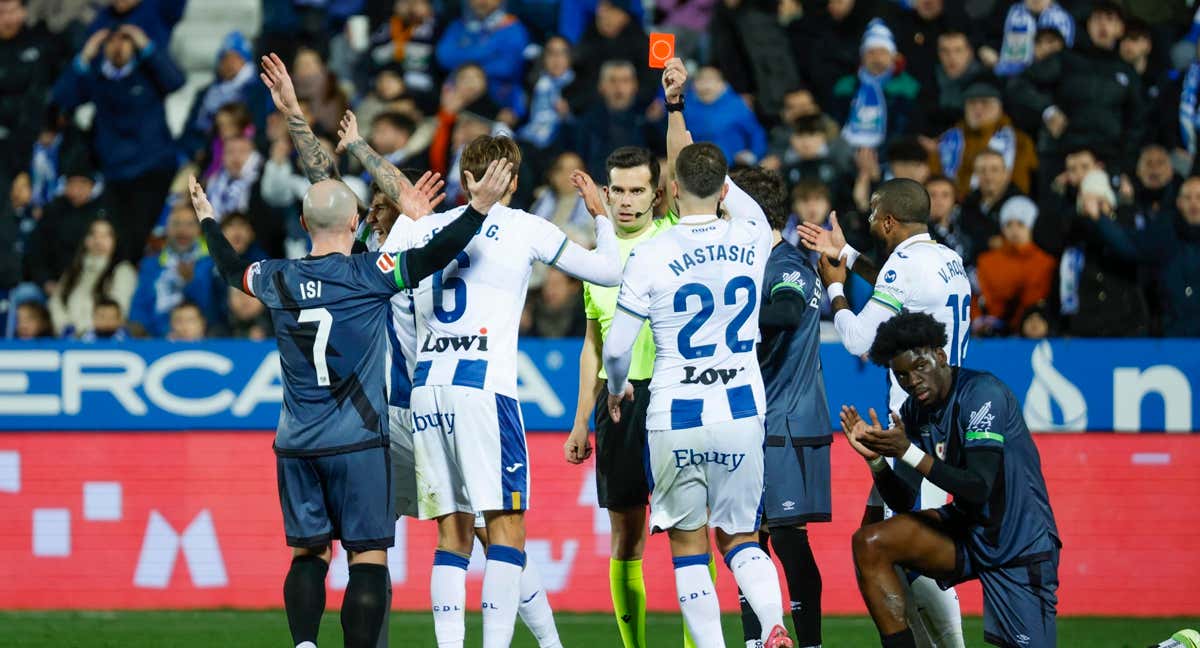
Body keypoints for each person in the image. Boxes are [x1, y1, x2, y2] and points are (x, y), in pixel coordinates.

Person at [188, 144, 509, 646]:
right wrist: (479, 209)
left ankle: (304, 644)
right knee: (367, 557)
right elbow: (435, 253)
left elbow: (231, 268)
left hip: (295, 444)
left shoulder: (277, 278)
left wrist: (208, 219)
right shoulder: (370, 274)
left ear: (301, 220)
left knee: (309, 554)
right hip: (359, 443)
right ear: (357, 218)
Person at [378, 131, 620, 648]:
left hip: (428, 390)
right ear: (510, 179)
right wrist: (600, 215)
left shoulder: (424, 229)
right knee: (506, 530)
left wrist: (402, 216)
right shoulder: (523, 227)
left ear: (465, 180)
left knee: (453, 533)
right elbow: (608, 270)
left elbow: (382, 284)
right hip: (484, 388)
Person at [601, 57, 791, 648]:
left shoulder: (653, 252)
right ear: (725, 185)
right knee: (738, 539)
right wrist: (680, 109)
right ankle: (775, 625)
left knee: (688, 545)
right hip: (740, 407)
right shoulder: (755, 234)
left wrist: (615, 388)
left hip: (676, 412)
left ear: (670, 190)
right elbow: (703, 168)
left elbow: (616, 347)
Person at [799, 178, 970, 648]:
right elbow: (899, 284)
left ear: (890, 221)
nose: (870, 219)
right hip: (944, 416)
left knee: (900, 547)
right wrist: (850, 256)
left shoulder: (905, 267)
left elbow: (858, 340)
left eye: (874, 213)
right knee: (876, 539)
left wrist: (836, 288)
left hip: (916, 424)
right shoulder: (947, 258)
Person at [843, 312, 1060, 648]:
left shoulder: (982, 394)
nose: (912, 381)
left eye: (919, 367)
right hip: (969, 532)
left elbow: (979, 486)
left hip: (1019, 543)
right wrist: (876, 462)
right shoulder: (917, 412)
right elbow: (902, 501)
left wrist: (908, 452)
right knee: (871, 543)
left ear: (940, 356)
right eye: (902, 375)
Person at [563, 145, 694, 648]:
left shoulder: (675, 239)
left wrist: (674, 105)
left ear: (657, 194)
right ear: (606, 190)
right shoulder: (596, 260)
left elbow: (683, 159)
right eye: (617, 188)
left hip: (674, 395)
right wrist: (579, 422)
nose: (626, 200)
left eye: (638, 189)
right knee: (627, 538)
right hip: (617, 406)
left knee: (689, 531)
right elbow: (592, 344)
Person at [730, 166, 829, 648]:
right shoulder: (756, 264)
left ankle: (808, 642)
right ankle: (758, 641)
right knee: (747, 542)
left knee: (787, 541)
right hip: (760, 422)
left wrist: (724, 313)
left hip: (784, 424)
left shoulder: (785, 263)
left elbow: (787, 312)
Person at [52, 23, 184, 263]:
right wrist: (85, 55)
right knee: (118, 243)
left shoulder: (148, 73)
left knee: (146, 240)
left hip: (152, 170)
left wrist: (146, 44)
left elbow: (175, 81)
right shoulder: (98, 79)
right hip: (115, 173)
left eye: (125, 40)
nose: (118, 46)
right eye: (111, 41)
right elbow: (62, 98)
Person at [128, 199, 217, 338]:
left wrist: (190, 282)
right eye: (176, 224)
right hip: (155, 338)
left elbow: (212, 310)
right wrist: (140, 330)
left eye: (189, 225)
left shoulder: (210, 262)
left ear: (199, 229)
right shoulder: (150, 264)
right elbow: (139, 305)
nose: (182, 230)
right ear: (167, 228)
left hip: (198, 337)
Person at [974, 196, 1056, 336]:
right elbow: (979, 297)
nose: (1014, 230)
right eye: (1009, 224)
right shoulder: (986, 261)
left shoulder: (1045, 262)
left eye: (1020, 224)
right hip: (991, 334)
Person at [48, 218, 137, 337]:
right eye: (93, 235)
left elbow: (119, 308)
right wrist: (65, 328)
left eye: (105, 236)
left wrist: (85, 331)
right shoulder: (73, 271)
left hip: (102, 339)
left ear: (115, 241)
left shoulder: (123, 271)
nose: (98, 241)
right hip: (68, 339)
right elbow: (55, 303)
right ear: (85, 240)